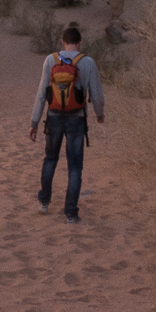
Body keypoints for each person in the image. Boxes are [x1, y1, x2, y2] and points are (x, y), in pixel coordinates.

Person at [28, 23, 104, 223]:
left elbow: (41, 93)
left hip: (53, 117)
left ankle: (44, 202)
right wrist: (99, 114)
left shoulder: (50, 60)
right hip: (77, 120)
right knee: (75, 167)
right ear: (79, 43)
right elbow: (96, 95)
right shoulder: (88, 62)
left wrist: (34, 121)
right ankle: (70, 213)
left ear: (63, 42)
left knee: (50, 159)